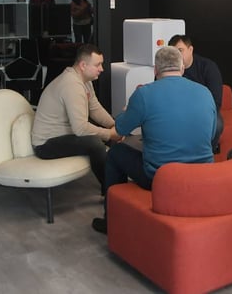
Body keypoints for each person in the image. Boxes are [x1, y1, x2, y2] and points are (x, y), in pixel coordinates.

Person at [91, 46, 216, 234]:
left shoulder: (144, 94)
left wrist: (127, 111)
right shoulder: (205, 92)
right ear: (182, 68)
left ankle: (112, 222)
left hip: (161, 177)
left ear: (156, 70)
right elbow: (211, 135)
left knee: (116, 153)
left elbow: (121, 129)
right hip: (202, 172)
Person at [31, 44, 119, 194]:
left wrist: (115, 125)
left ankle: (117, 185)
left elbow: (95, 109)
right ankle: (111, 191)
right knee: (95, 143)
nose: (102, 69)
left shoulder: (84, 80)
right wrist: (110, 134)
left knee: (102, 134)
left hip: (65, 135)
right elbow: (80, 128)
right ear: (83, 65)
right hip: (46, 144)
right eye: (97, 65)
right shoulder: (71, 85)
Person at [168, 34, 224, 151]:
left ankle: (207, 151)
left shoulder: (208, 67)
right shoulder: (168, 69)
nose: (177, 56)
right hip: (176, 110)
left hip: (203, 110)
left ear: (191, 49)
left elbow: (216, 101)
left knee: (217, 124)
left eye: (180, 50)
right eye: (173, 52)